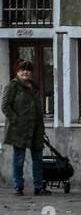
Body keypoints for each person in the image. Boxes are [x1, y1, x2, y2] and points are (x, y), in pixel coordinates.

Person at [3, 59, 49, 197]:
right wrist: (16, 120)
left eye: (28, 70)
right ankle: (19, 187)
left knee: (38, 158)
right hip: (19, 129)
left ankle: (38, 187)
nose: (25, 72)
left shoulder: (34, 86)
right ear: (17, 71)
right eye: (22, 69)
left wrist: (41, 127)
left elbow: (37, 107)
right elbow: (5, 106)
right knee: (19, 158)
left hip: (35, 128)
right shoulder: (12, 86)